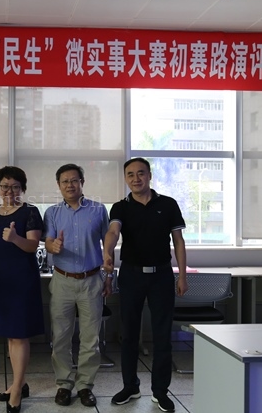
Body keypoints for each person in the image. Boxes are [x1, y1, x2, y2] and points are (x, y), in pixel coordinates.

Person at [103, 157, 188, 413]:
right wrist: (107, 252)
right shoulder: (120, 207)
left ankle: (160, 392)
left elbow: (178, 241)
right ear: (125, 179)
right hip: (131, 275)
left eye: (140, 173)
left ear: (149, 175)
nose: (136, 178)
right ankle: (130, 386)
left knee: (162, 336)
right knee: (129, 334)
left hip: (161, 275)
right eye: (130, 174)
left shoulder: (168, 204)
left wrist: (182, 275)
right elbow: (113, 232)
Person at [44, 163, 111, 408]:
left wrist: (109, 276)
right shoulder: (52, 212)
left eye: (74, 180)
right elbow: (48, 241)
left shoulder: (98, 210)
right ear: (58, 185)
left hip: (92, 280)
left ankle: (85, 386)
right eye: (65, 181)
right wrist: (53, 246)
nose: (70, 185)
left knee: (90, 338)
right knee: (60, 336)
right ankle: (64, 383)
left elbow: (108, 245)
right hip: (62, 280)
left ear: (82, 182)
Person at [0, 166, 44, 413]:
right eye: (5, 186)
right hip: (1, 279)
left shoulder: (30, 212)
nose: (9, 191)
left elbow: (33, 245)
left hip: (23, 278)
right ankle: (20, 382)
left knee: (20, 334)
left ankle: (16, 390)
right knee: (10, 334)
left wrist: (15, 238)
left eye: (15, 186)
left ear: (22, 189)